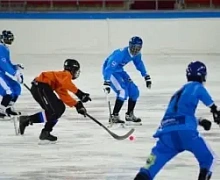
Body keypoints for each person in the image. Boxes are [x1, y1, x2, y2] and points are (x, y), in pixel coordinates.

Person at [134, 61, 220, 180]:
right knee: (209, 159)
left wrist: (199, 121)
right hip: (187, 134)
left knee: (149, 169)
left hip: (166, 135)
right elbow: (200, 91)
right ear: (202, 76)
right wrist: (214, 109)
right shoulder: (196, 86)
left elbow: (176, 116)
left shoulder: (176, 94)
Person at [18, 59, 91, 142]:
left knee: (59, 108)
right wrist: (80, 94)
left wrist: (77, 105)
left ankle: (45, 131)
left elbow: (64, 95)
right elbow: (67, 84)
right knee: (53, 112)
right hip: (41, 87)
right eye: (76, 71)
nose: (76, 73)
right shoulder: (65, 75)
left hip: (42, 88)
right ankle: (27, 120)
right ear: (72, 69)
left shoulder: (61, 79)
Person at [102, 36, 152, 124]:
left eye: (138, 48)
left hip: (120, 71)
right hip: (111, 72)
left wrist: (146, 76)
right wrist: (107, 81)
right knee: (122, 91)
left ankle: (129, 114)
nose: (136, 50)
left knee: (134, 91)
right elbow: (109, 68)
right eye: (134, 47)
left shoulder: (137, 54)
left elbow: (139, 63)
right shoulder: (119, 54)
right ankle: (114, 116)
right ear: (130, 46)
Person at [0, 30, 24, 118]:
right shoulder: (0, 48)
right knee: (8, 91)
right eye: (8, 40)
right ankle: (1, 109)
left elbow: (7, 62)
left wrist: (15, 67)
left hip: (1, 73)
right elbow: (3, 64)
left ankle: (9, 108)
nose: (9, 42)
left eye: (11, 40)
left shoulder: (5, 48)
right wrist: (14, 73)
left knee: (16, 88)